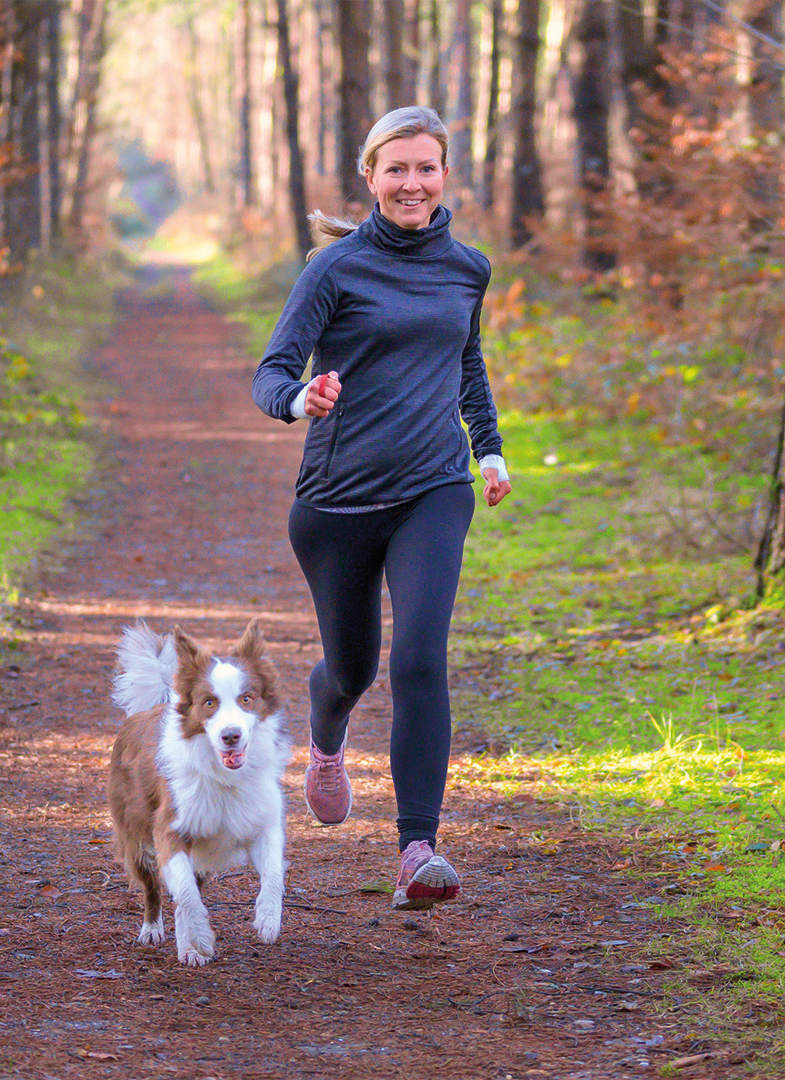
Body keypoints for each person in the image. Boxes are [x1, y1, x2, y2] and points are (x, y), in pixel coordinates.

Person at [251, 106, 510, 912]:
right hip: (337, 502)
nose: (411, 183)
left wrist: (489, 449)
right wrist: (302, 399)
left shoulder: (469, 268)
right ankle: (327, 741)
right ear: (370, 178)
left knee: (420, 657)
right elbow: (271, 372)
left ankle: (417, 850)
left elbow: (467, 363)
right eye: (396, 169)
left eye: (425, 167)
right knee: (354, 667)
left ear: (444, 175)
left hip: (435, 488)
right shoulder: (334, 271)